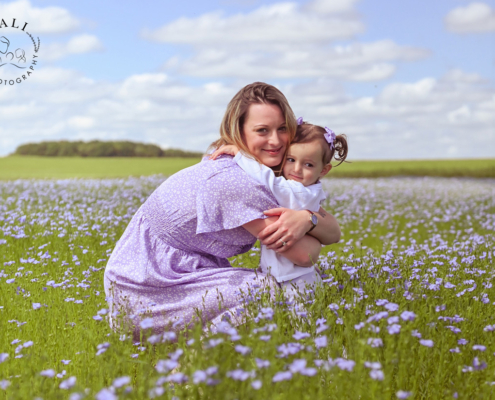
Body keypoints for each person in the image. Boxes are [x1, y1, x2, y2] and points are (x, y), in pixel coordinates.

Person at [103, 82, 341, 336]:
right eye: (262, 130)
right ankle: (188, 368)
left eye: (282, 128)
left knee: (289, 285)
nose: (276, 140)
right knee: (274, 290)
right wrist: (312, 226)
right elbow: (305, 256)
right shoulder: (234, 181)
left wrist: (308, 218)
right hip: (146, 289)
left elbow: (334, 232)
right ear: (239, 130)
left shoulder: (257, 170)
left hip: (164, 278)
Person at [209, 120, 348, 298]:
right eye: (290, 160)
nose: (296, 169)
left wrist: (240, 154)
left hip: (294, 279)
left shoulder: (297, 190)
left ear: (324, 170)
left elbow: (267, 179)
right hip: (294, 274)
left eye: (308, 165)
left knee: (298, 320)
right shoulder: (312, 190)